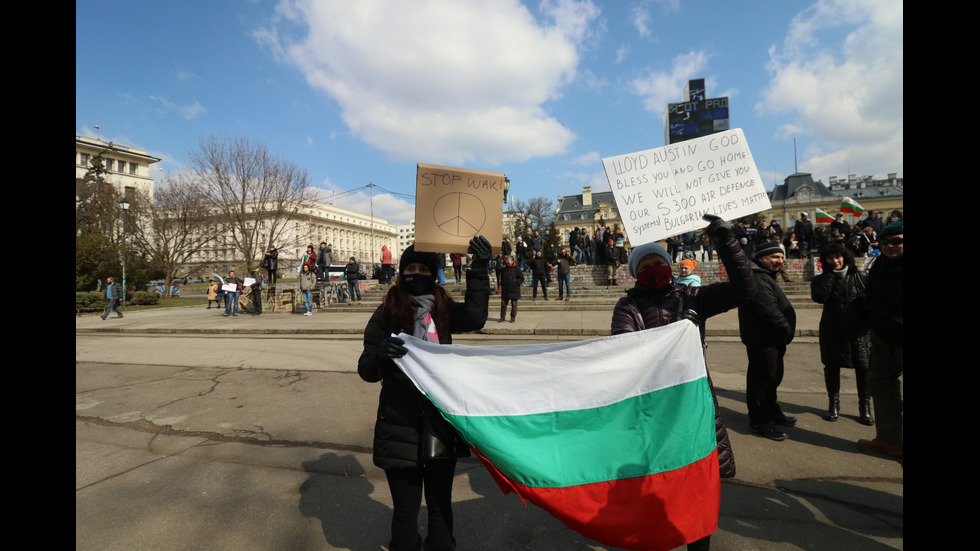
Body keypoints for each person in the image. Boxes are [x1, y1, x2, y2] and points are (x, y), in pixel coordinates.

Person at [611, 215, 755, 551]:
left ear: (670, 266)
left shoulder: (693, 297)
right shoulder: (628, 306)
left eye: (658, 262)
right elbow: (624, 350)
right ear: (635, 272)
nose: (653, 268)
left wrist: (726, 241)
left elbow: (745, 289)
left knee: (697, 485)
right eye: (645, 264)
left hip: (694, 405)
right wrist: (673, 334)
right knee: (655, 484)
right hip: (652, 410)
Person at [357, 237, 491, 551]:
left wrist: (479, 268)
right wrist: (380, 354)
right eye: (410, 269)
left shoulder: (443, 309)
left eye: (423, 269)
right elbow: (366, 370)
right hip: (399, 423)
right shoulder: (385, 312)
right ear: (401, 273)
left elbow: (476, 316)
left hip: (438, 423)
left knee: (440, 505)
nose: (416, 274)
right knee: (405, 510)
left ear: (434, 274)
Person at [738, 242, 797, 441]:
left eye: (781, 257)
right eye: (774, 257)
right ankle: (759, 420)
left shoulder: (764, 276)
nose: (779, 261)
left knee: (771, 378)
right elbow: (768, 311)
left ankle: (772, 411)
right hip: (764, 339)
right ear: (761, 258)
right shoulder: (757, 277)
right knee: (761, 381)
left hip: (771, 339)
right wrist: (785, 330)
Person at [811, 243, 873, 424]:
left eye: (838, 257)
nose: (835, 261)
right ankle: (834, 405)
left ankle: (865, 407)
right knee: (832, 367)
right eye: (830, 258)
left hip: (859, 330)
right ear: (826, 261)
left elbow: (870, 300)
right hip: (833, 329)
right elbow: (819, 297)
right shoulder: (820, 279)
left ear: (845, 257)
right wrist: (829, 277)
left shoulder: (860, 276)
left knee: (863, 368)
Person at [857, 222, 903, 458]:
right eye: (885, 243)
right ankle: (890, 439)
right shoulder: (879, 265)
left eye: (897, 241)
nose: (890, 246)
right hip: (883, 337)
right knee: (880, 384)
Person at [498, 254, 523, 322]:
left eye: (508, 260)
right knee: (503, 304)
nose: (507, 262)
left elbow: (521, 278)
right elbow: (501, 275)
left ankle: (513, 317)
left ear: (512, 261)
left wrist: (516, 282)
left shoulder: (517, 268)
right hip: (505, 289)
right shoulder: (504, 268)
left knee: (514, 304)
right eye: (506, 260)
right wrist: (502, 283)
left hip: (514, 290)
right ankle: (502, 317)